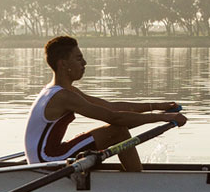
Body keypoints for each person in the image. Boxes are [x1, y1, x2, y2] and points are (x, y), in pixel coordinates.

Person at [23, 36, 186, 172]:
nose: (85, 63)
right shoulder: (63, 96)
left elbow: (111, 107)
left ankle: (135, 178)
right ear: (63, 64)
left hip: (46, 156)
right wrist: (165, 117)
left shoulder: (62, 90)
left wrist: (157, 106)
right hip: (46, 161)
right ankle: (138, 183)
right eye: (79, 58)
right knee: (118, 131)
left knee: (118, 130)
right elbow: (115, 117)